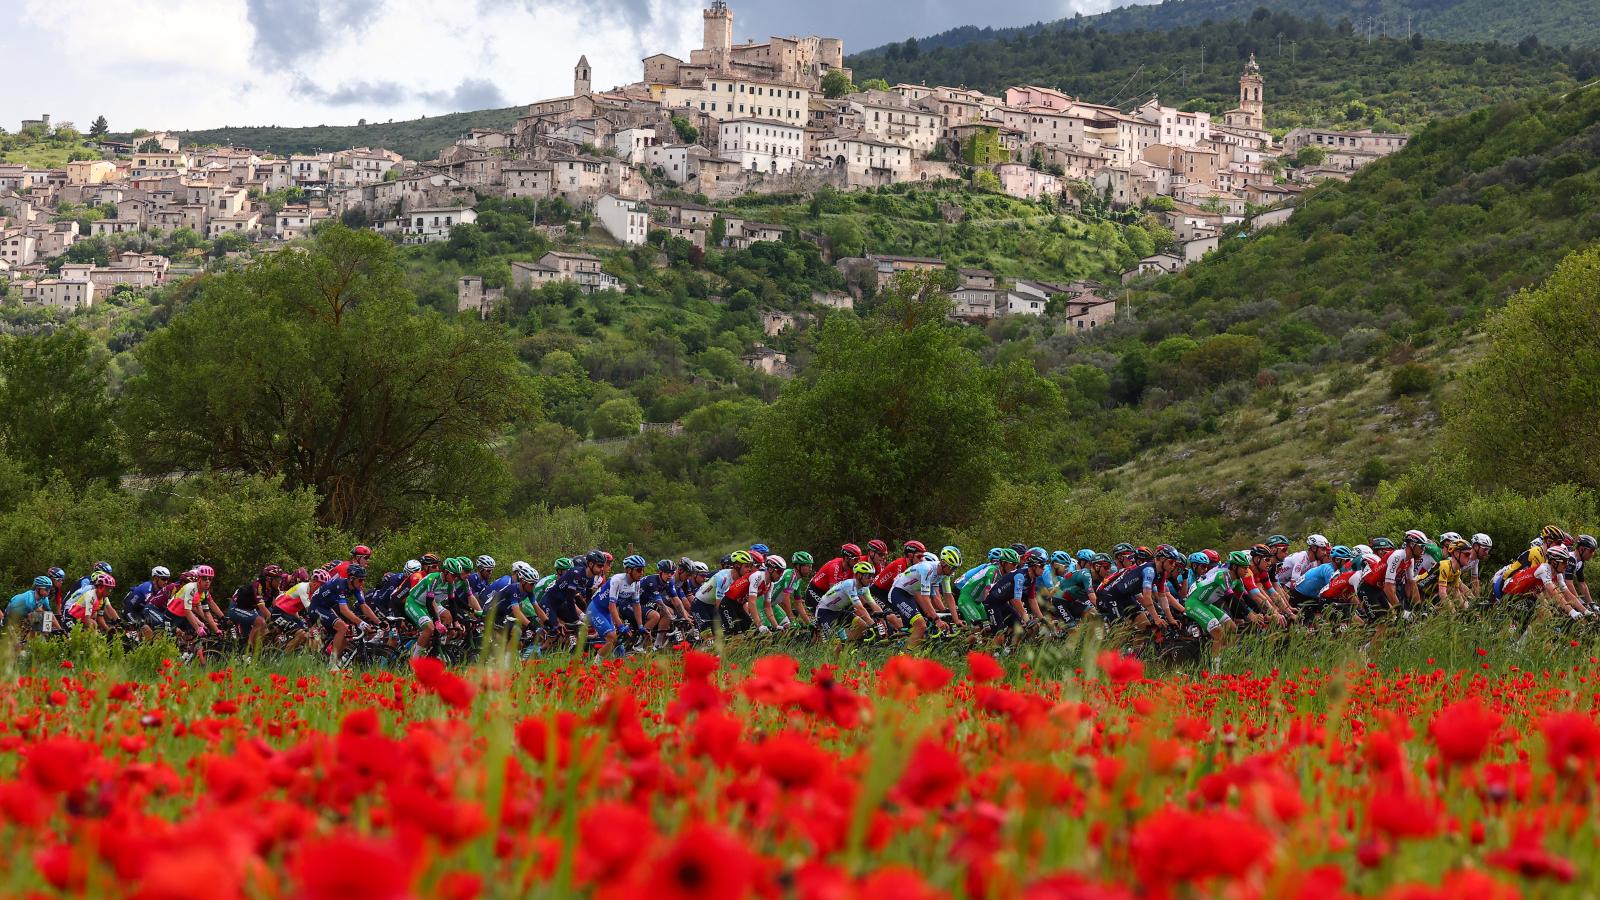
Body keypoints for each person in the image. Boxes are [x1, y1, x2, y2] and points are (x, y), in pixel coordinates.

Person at [404, 557, 479, 660]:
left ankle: (438, 650)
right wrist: (437, 622)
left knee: (449, 617)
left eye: (457, 575)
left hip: (431, 603)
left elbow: (453, 603)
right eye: (453, 575)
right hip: (414, 603)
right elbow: (430, 602)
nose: (455, 578)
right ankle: (414, 660)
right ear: (446, 572)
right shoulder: (433, 578)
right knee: (429, 628)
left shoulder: (450, 583)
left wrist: (456, 622)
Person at [310, 565, 379, 669]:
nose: (362, 583)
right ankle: (332, 663)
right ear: (351, 579)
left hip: (327, 608)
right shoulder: (340, 585)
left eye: (364, 580)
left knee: (346, 633)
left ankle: (335, 660)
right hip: (316, 607)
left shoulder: (356, 588)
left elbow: (364, 606)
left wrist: (378, 622)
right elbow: (344, 610)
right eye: (360, 580)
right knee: (342, 627)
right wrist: (361, 623)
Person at [888, 548, 960, 646]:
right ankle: (904, 657)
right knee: (921, 625)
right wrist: (937, 620)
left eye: (955, 568)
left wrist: (956, 620)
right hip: (898, 592)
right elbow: (925, 598)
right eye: (952, 568)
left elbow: (948, 596)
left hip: (911, 594)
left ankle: (912, 651)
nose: (953, 571)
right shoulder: (927, 569)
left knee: (924, 627)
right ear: (943, 563)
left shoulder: (945, 574)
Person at [588, 555, 646, 657]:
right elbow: (612, 606)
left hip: (606, 612)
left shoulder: (636, 583)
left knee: (618, 643)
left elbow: (636, 605)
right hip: (595, 609)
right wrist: (621, 626)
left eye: (643, 570)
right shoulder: (617, 580)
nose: (642, 573)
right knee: (611, 638)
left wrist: (641, 626)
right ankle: (595, 666)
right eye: (639, 570)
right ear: (629, 570)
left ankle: (618, 665)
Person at [814, 561, 879, 642]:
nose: (871, 579)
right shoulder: (849, 585)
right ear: (859, 575)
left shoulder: (865, 587)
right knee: (831, 642)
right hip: (824, 611)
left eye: (872, 576)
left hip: (838, 611)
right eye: (868, 576)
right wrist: (873, 624)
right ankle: (839, 642)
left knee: (862, 625)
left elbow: (873, 604)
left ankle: (844, 643)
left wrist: (884, 615)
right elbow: (859, 608)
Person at [227, 565, 285, 649]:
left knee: (264, 631)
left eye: (280, 579)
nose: (280, 582)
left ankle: (249, 651)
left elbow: (276, 607)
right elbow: (262, 608)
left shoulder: (272, 589)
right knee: (260, 622)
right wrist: (275, 621)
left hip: (249, 609)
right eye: (277, 579)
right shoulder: (258, 586)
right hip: (236, 608)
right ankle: (248, 652)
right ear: (269, 579)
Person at [122, 566, 173, 641]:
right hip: (130, 610)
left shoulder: (161, 590)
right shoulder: (147, 586)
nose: (166, 582)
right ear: (155, 578)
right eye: (163, 579)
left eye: (167, 579)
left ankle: (132, 641)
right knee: (147, 630)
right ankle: (123, 641)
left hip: (141, 611)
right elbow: (151, 604)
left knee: (156, 631)